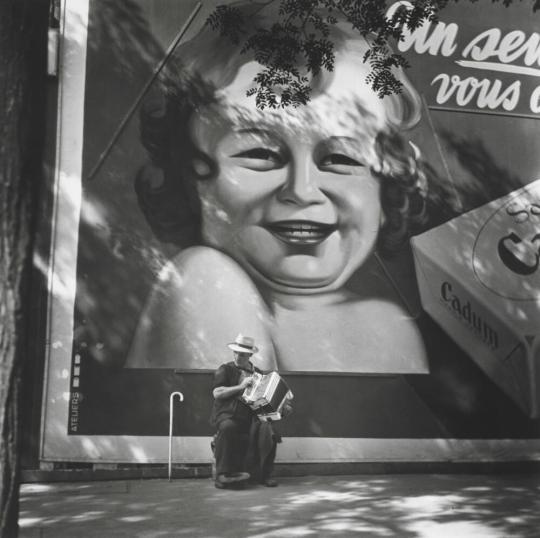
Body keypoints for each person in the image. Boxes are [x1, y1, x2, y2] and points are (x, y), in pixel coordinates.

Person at [125, 2, 430, 373]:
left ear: (386, 189)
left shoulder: (389, 326)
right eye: (260, 154)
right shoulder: (205, 282)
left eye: (342, 159)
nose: (302, 190)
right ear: (189, 179)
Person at [211, 333, 290, 489]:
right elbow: (217, 393)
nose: (237, 356)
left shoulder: (259, 374)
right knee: (228, 427)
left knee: (269, 431)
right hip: (228, 415)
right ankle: (222, 476)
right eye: (235, 352)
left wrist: (281, 408)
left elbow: (266, 400)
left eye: (241, 354)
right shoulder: (225, 369)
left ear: (249, 355)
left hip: (252, 416)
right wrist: (241, 386)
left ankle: (265, 475)